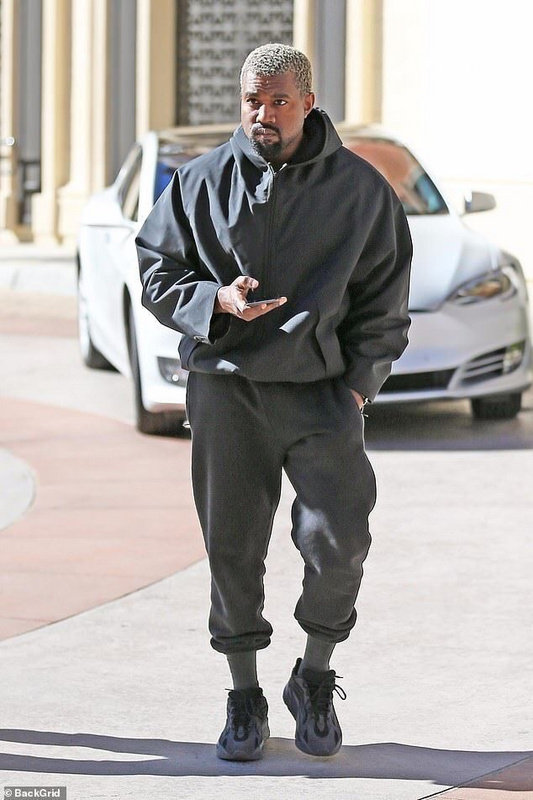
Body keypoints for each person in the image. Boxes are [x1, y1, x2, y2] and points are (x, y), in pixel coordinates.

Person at [136, 43, 412, 761]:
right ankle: (243, 694)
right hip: (227, 391)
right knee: (233, 551)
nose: (263, 114)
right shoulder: (198, 181)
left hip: (322, 395)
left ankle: (313, 676)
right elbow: (156, 270)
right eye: (253, 101)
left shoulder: (360, 189)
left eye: (278, 101)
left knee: (339, 542)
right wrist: (213, 300)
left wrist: (359, 384)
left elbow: (385, 298)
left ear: (307, 103)